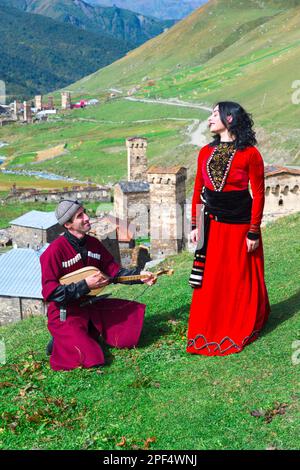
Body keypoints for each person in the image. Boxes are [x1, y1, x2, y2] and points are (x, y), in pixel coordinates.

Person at [187, 101, 270, 356]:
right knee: (212, 279)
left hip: (239, 227)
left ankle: (240, 318)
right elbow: (198, 191)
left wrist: (253, 231)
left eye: (215, 114)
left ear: (230, 119)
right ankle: (210, 323)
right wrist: (195, 225)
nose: (210, 119)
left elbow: (257, 194)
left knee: (238, 277)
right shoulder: (204, 152)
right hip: (212, 225)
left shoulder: (250, 154)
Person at [40, 199, 156, 371]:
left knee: (130, 327)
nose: (87, 218)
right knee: (92, 358)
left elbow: (114, 272)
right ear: (68, 225)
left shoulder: (94, 244)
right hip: (65, 312)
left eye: (84, 212)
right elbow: (49, 293)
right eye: (80, 216)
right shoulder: (53, 252)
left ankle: (85, 331)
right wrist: (85, 285)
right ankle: (59, 340)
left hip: (91, 306)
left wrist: (140, 277)